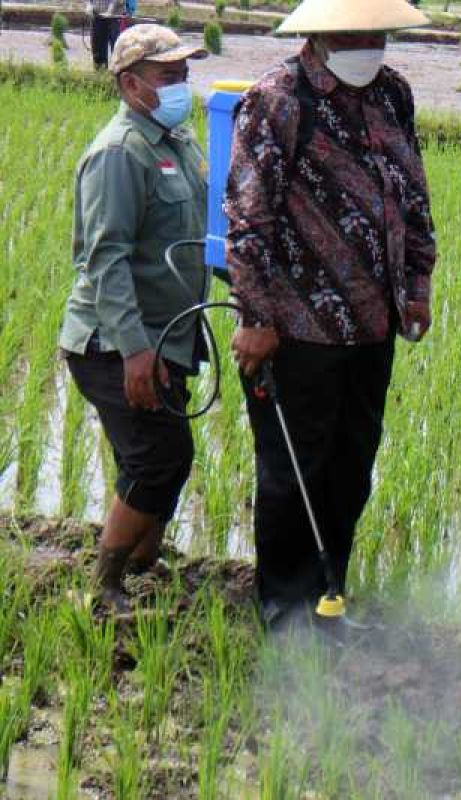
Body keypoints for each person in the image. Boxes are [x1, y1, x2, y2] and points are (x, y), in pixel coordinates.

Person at [224, 0, 437, 629]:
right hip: (296, 328)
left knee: (352, 468)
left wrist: (417, 283)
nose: (368, 43)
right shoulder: (278, 100)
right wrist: (255, 316)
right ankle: (284, 613)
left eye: (378, 33)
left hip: (373, 323)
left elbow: (411, 192)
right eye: (354, 33)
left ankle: (328, 594)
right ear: (318, 34)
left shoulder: (392, 92)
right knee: (294, 476)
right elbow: (247, 217)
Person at [58, 24, 208, 612]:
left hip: (165, 335)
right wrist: (135, 350)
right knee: (158, 456)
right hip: (112, 340)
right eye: (168, 77)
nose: (181, 86)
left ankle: (143, 562)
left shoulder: (177, 142)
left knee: (156, 456)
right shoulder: (119, 153)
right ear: (130, 84)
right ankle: (106, 584)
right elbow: (106, 258)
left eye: (184, 76)